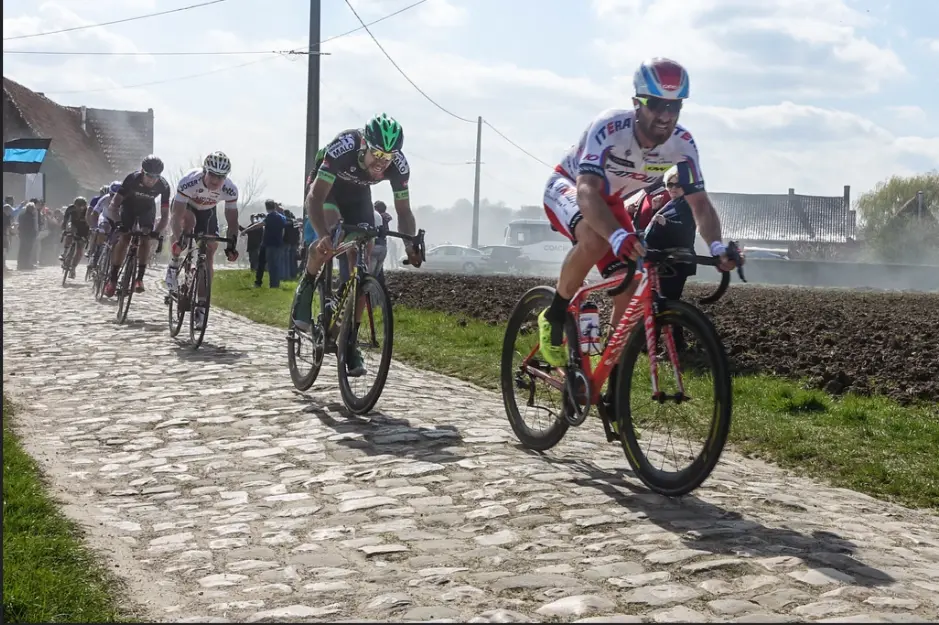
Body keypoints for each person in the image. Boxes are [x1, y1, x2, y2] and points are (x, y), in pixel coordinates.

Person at [539, 57, 739, 367]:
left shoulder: (682, 145)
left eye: (674, 106)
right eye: (655, 104)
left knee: (630, 289)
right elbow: (587, 190)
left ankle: (611, 372)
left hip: (611, 202)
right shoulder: (609, 127)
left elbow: (699, 202)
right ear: (636, 102)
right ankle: (554, 313)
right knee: (596, 240)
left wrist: (716, 245)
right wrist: (617, 234)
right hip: (572, 187)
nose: (665, 115)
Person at [294, 113, 423, 377]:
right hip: (326, 187)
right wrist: (322, 236)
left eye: (387, 157)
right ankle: (307, 283)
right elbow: (315, 199)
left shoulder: (397, 165)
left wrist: (411, 246)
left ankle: (349, 340)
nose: (381, 162)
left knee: (364, 249)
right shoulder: (345, 146)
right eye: (376, 154)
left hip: (358, 193)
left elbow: (404, 212)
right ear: (364, 145)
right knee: (331, 237)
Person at [165, 151, 240, 329]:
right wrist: (178, 240)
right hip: (187, 207)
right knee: (188, 224)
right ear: (205, 171)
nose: (215, 180)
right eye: (212, 175)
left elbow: (232, 221)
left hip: (208, 211)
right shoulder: (189, 181)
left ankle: (201, 305)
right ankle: (174, 264)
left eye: (220, 177)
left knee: (210, 247)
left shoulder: (230, 189)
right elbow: (176, 216)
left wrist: (231, 246)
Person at [103, 156, 171, 297]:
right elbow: (114, 205)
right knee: (125, 238)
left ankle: (139, 278)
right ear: (142, 171)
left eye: (156, 177)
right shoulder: (132, 179)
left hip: (147, 209)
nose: (152, 180)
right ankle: (113, 279)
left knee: (146, 237)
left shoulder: (164, 186)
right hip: (128, 206)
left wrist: (157, 232)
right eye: (149, 176)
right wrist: (118, 223)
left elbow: (165, 216)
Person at [59, 197, 90, 278]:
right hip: (74, 226)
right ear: (74, 205)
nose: (79, 209)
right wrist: (63, 230)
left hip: (84, 229)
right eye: (77, 206)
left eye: (81, 207)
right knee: (70, 232)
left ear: (85, 206)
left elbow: (90, 225)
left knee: (79, 251)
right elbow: (65, 221)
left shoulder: (88, 211)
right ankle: (65, 252)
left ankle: (73, 268)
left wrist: (87, 237)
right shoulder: (70, 209)